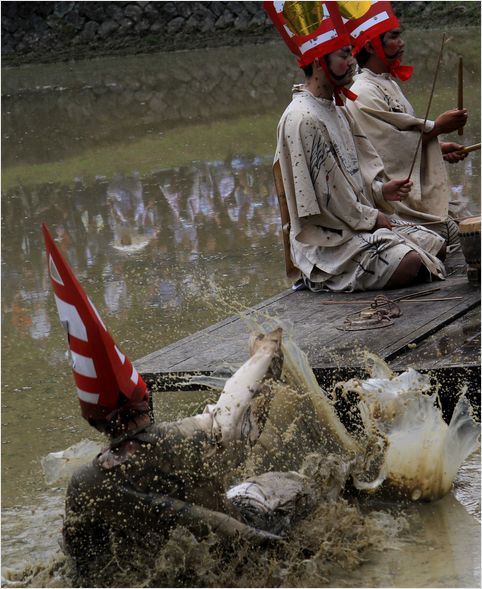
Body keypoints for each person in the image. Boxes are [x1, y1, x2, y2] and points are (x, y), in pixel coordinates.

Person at [42, 224, 291, 583]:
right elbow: (233, 416)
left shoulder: (85, 482)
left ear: (95, 423)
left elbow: (75, 556)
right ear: (146, 401)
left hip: (142, 575)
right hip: (223, 561)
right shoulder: (185, 437)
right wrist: (264, 354)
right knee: (286, 482)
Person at [264, 1, 446, 292]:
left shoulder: (337, 108)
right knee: (411, 261)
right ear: (317, 61)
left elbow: (354, 173)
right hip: (330, 239)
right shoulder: (302, 117)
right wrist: (374, 218)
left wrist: (379, 191)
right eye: (343, 55)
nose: (351, 62)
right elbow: (327, 203)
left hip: (357, 222)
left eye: (351, 54)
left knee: (436, 243)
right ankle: (319, 277)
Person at [344, 1, 469, 245]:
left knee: (466, 219)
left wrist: (438, 146)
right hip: (394, 202)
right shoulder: (363, 92)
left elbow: (401, 138)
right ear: (370, 45)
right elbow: (385, 151)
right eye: (393, 37)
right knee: (455, 233)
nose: (401, 43)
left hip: (409, 193)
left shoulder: (386, 82)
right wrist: (438, 128)